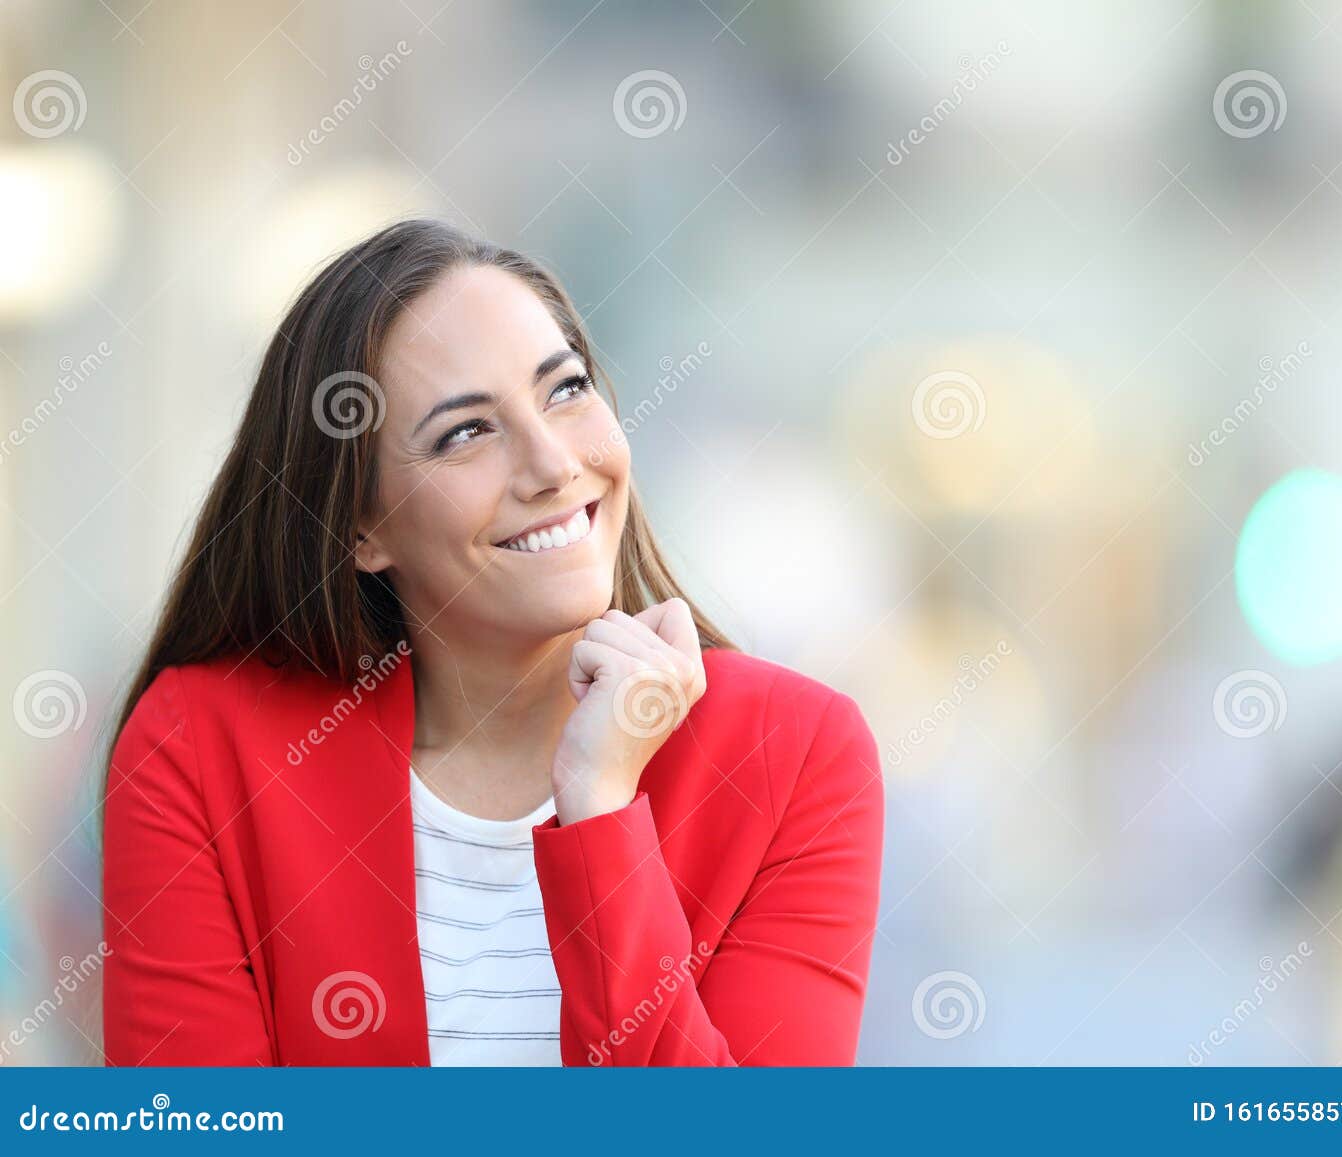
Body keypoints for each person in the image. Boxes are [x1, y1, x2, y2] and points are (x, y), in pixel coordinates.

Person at [99, 219, 884, 1066]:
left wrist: (601, 810)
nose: (552, 464)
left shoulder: (795, 752)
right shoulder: (200, 748)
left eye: (566, 389)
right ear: (362, 525)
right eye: (466, 432)